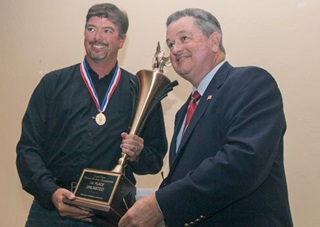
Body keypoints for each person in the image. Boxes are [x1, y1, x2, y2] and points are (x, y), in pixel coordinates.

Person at [119, 8, 293, 227]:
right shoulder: (184, 112)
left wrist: (160, 205)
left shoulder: (250, 82)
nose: (175, 49)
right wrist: (134, 201)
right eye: (170, 44)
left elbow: (241, 164)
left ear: (214, 41)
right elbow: (184, 177)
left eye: (184, 38)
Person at [16, 3, 168, 226]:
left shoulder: (141, 90)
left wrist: (138, 153)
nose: (97, 37)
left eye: (107, 30)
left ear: (122, 40)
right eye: (91, 28)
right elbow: (27, 150)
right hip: (50, 211)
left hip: (110, 215)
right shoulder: (52, 84)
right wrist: (51, 192)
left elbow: (154, 160)